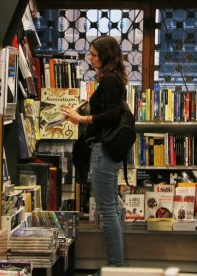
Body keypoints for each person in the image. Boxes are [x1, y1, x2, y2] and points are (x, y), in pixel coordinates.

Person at [61, 35, 127, 267]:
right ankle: (116, 266)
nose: (90, 58)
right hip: (108, 149)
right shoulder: (114, 78)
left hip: (104, 149)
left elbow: (111, 115)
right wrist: (80, 110)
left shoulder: (109, 79)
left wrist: (82, 118)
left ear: (106, 56)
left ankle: (116, 267)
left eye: (94, 55)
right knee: (113, 207)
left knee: (107, 209)